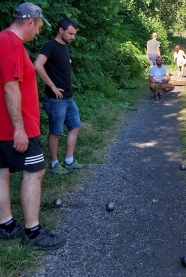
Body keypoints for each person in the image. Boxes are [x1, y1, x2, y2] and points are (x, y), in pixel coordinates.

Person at [0, 2, 66, 250]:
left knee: (2, 173)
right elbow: (10, 86)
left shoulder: (3, 40)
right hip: (18, 127)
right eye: (38, 27)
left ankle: (5, 225)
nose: (38, 32)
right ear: (30, 22)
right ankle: (32, 231)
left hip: (3, 127)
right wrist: (19, 129)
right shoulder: (11, 43)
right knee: (35, 172)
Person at [34, 18, 87, 175]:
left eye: (74, 34)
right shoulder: (50, 46)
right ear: (61, 30)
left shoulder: (65, 46)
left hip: (68, 98)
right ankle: (54, 164)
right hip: (55, 99)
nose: (73, 37)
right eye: (70, 33)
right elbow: (37, 65)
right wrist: (52, 85)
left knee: (76, 126)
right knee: (56, 132)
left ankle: (69, 161)